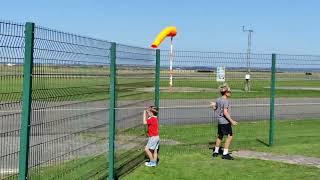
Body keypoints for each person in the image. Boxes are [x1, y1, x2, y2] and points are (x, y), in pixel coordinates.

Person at [211, 84, 238, 160]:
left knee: (220, 135)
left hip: (220, 121)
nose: (230, 93)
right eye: (229, 92)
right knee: (230, 136)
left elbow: (215, 109)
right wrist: (232, 121)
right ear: (225, 93)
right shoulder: (225, 101)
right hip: (225, 122)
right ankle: (225, 154)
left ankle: (215, 152)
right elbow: (225, 112)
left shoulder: (218, 99)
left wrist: (213, 106)